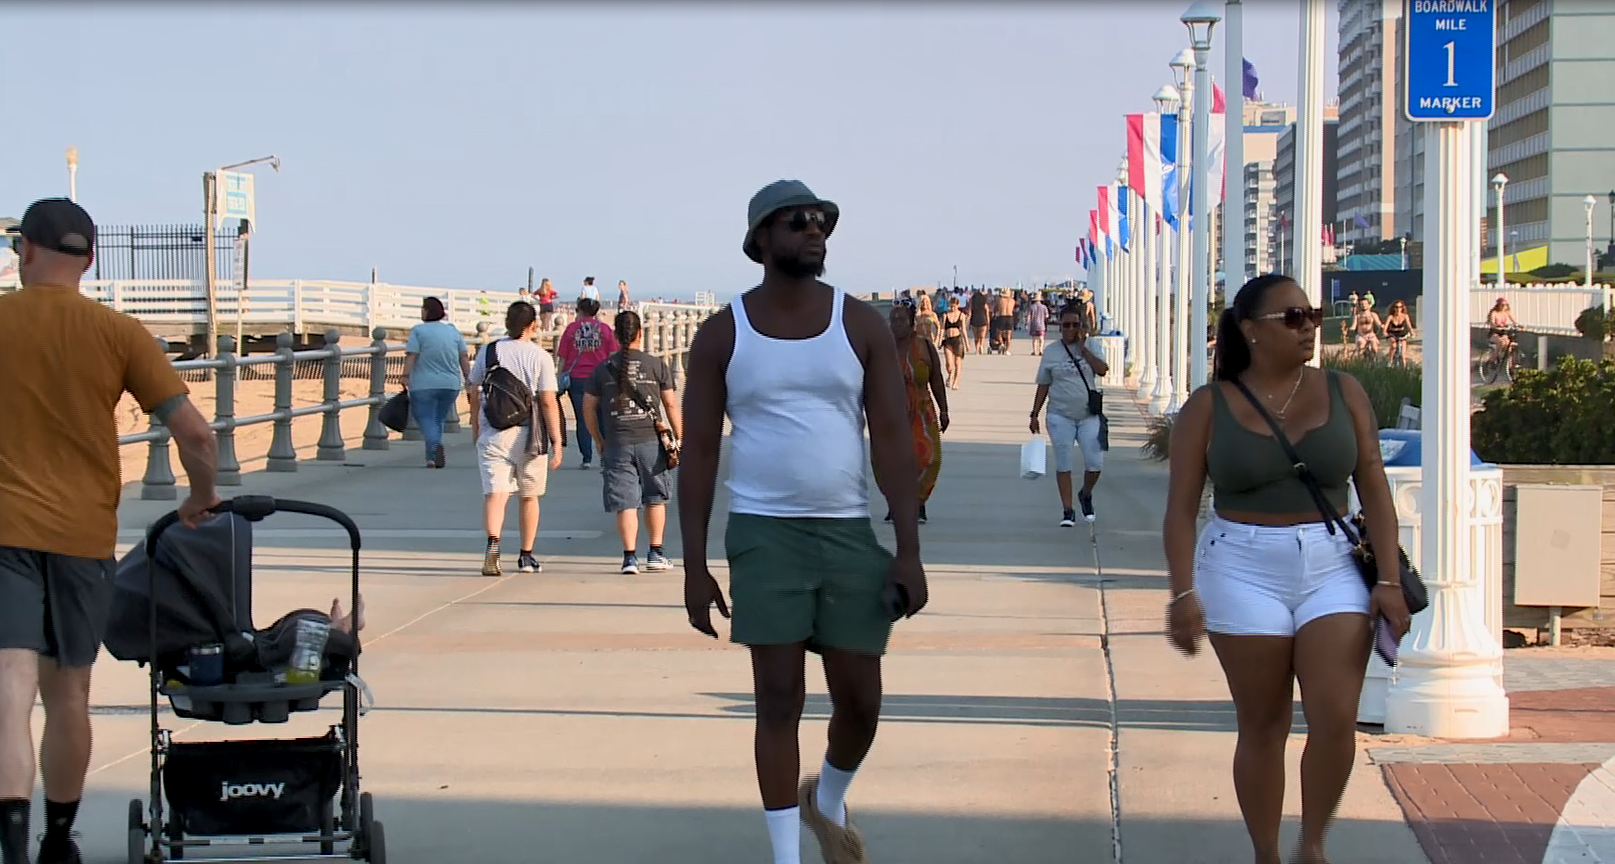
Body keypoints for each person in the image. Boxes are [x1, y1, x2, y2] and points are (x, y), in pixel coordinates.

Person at [678, 180, 928, 864]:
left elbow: (892, 438)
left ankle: (829, 796)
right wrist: (694, 566)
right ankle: (786, 855)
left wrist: (906, 548)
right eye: (796, 222)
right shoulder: (723, 331)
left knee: (861, 701)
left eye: (821, 222)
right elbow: (698, 451)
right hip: (763, 531)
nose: (813, 231)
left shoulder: (860, 325)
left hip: (846, 530)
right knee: (778, 697)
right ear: (761, 238)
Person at [0, 199, 222, 864]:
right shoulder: (120, 333)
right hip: (82, 536)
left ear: (24, 251)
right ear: (90, 260)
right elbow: (197, 435)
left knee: (9, 685)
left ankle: (10, 842)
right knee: (68, 692)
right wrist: (199, 499)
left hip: (4, 531)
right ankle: (57, 842)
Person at [1163, 274, 1412, 864]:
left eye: (1313, 314)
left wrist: (1389, 582)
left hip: (1331, 564)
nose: (1309, 326)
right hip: (1240, 566)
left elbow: (1373, 486)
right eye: (1293, 317)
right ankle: (1267, 853)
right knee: (1264, 723)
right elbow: (1177, 511)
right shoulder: (1208, 406)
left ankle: (1315, 842)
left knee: (1333, 717)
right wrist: (1182, 592)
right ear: (1250, 331)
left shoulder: (1344, 390)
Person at [467, 301, 565, 576]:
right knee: (529, 496)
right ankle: (526, 555)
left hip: (493, 430)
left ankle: (493, 545)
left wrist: (475, 424)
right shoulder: (540, 357)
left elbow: (474, 389)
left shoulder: (489, 351)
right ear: (533, 325)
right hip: (530, 433)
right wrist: (557, 439)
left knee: (496, 494)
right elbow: (547, 400)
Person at [583, 311, 681, 575]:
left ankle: (629, 558)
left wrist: (598, 439)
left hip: (617, 441)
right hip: (651, 440)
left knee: (626, 502)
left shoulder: (602, 368)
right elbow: (670, 404)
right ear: (640, 333)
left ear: (615, 336)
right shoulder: (656, 364)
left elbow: (588, 407)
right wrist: (679, 436)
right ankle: (655, 552)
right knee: (655, 497)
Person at [1028, 305, 1109, 526]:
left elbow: (1102, 370)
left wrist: (1084, 350)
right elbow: (1043, 384)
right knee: (1063, 462)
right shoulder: (1052, 352)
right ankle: (1067, 510)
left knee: (1095, 462)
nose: (1070, 329)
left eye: (1075, 324)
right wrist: (1034, 414)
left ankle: (1086, 494)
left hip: (1088, 415)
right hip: (1059, 415)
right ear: (1059, 326)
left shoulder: (1092, 345)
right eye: (1066, 325)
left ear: (1082, 325)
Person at [879, 304, 948, 525]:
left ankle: (917, 503)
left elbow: (936, 379)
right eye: (893, 319)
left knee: (928, 458)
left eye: (901, 319)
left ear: (912, 322)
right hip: (889, 410)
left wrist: (944, 409)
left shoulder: (924, 346)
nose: (896, 323)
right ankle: (895, 505)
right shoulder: (881, 347)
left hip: (922, 410)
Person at [402, 296, 472, 468]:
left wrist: (405, 375)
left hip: (423, 383)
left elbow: (412, 354)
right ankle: (431, 457)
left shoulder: (418, 331)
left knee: (424, 417)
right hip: (450, 383)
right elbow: (463, 355)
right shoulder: (453, 331)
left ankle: (435, 446)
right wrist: (469, 377)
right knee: (438, 419)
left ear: (426, 311)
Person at [555, 297, 619, 469]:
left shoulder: (571, 329)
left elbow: (562, 357)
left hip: (577, 377)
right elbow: (613, 354)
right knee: (602, 417)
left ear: (579, 311)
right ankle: (606, 455)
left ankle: (587, 457)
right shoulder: (605, 330)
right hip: (601, 376)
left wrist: (559, 376)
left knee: (582, 419)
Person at [939, 297, 967, 389]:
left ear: (958, 305)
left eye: (954, 306)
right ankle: (950, 374)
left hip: (957, 340)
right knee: (949, 363)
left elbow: (963, 330)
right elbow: (942, 328)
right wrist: (940, 340)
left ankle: (956, 382)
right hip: (948, 340)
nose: (952, 308)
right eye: (951, 306)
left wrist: (967, 343)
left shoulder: (961, 315)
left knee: (957, 362)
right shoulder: (945, 315)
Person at [1383, 300, 1413, 366]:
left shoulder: (1405, 316)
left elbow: (1409, 326)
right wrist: (1385, 333)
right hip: (1393, 335)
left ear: (1402, 308)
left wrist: (1412, 333)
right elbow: (1385, 327)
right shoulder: (1391, 317)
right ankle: (1390, 362)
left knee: (1403, 354)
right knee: (1393, 346)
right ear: (1393, 308)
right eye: (1396, 307)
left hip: (1402, 335)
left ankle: (1404, 367)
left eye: (1400, 307)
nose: (1398, 309)